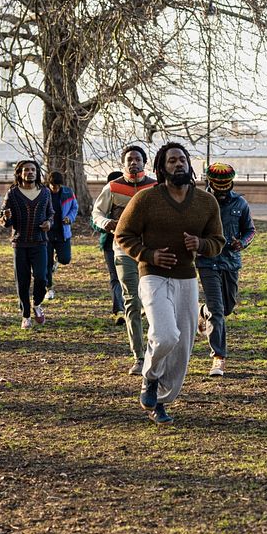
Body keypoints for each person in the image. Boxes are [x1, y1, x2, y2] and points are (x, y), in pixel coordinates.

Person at [116, 142, 224, 425]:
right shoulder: (146, 200)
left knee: (181, 350)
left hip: (187, 278)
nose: (178, 164)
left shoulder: (206, 202)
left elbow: (218, 242)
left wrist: (200, 243)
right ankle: (149, 378)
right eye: (172, 161)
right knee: (165, 335)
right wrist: (148, 254)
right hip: (152, 276)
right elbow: (123, 234)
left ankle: (161, 403)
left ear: (189, 164)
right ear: (161, 168)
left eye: (182, 160)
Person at [92, 146, 158, 375]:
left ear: (144, 162)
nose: (133, 163)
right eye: (129, 159)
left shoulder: (155, 186)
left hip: (151, 252)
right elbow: (97, 213)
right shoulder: (113, 187)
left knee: (152, 301)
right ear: (123, 163)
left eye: (137, 159)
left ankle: (156, 350)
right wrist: (105, 223)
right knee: (131, 301)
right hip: (123, 250)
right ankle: (139, 357)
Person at [196, 163, 256, 378]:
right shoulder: (199, 202)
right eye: (217, 185)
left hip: (230, 261)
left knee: (227, 307)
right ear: (209, 182)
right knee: (218, 310)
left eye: (226, 185)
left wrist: (242, 242)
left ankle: (201, 312)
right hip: (206, 261)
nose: (221, 189)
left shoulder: (240, 203)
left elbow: (250, 230)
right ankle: (218, 358)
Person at [0, 160, 54, 329]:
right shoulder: (13, 193)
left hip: (40, 243)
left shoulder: (44, 192)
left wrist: (49, 223)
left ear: (37, 173)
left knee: (41, 277)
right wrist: (7, 217)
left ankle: (37, 304)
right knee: (22, 281)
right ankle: (25, 316)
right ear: (20, 173)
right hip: (20, 243)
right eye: (26, 170)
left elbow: (51, 213)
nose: (30, 172)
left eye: (33, 170)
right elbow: (3, 219)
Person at [93, 171, 126, 323]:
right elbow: (94, 220)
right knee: (115, 277)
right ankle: (119, 309)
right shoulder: (106, 196)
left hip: (133, 243)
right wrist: (106, 224)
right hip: (109, 244)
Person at [43, 171, 79, 300]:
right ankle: (49, 289)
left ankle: (56, 261)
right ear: (49, 183)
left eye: (58, 186)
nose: (55, 188)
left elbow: (75, 208)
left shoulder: (68, 192)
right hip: (46, 234)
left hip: (63, 232)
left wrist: (70, 218)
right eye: (53, 186)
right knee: (46, 263)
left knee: (65, 259)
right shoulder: (43, 193)